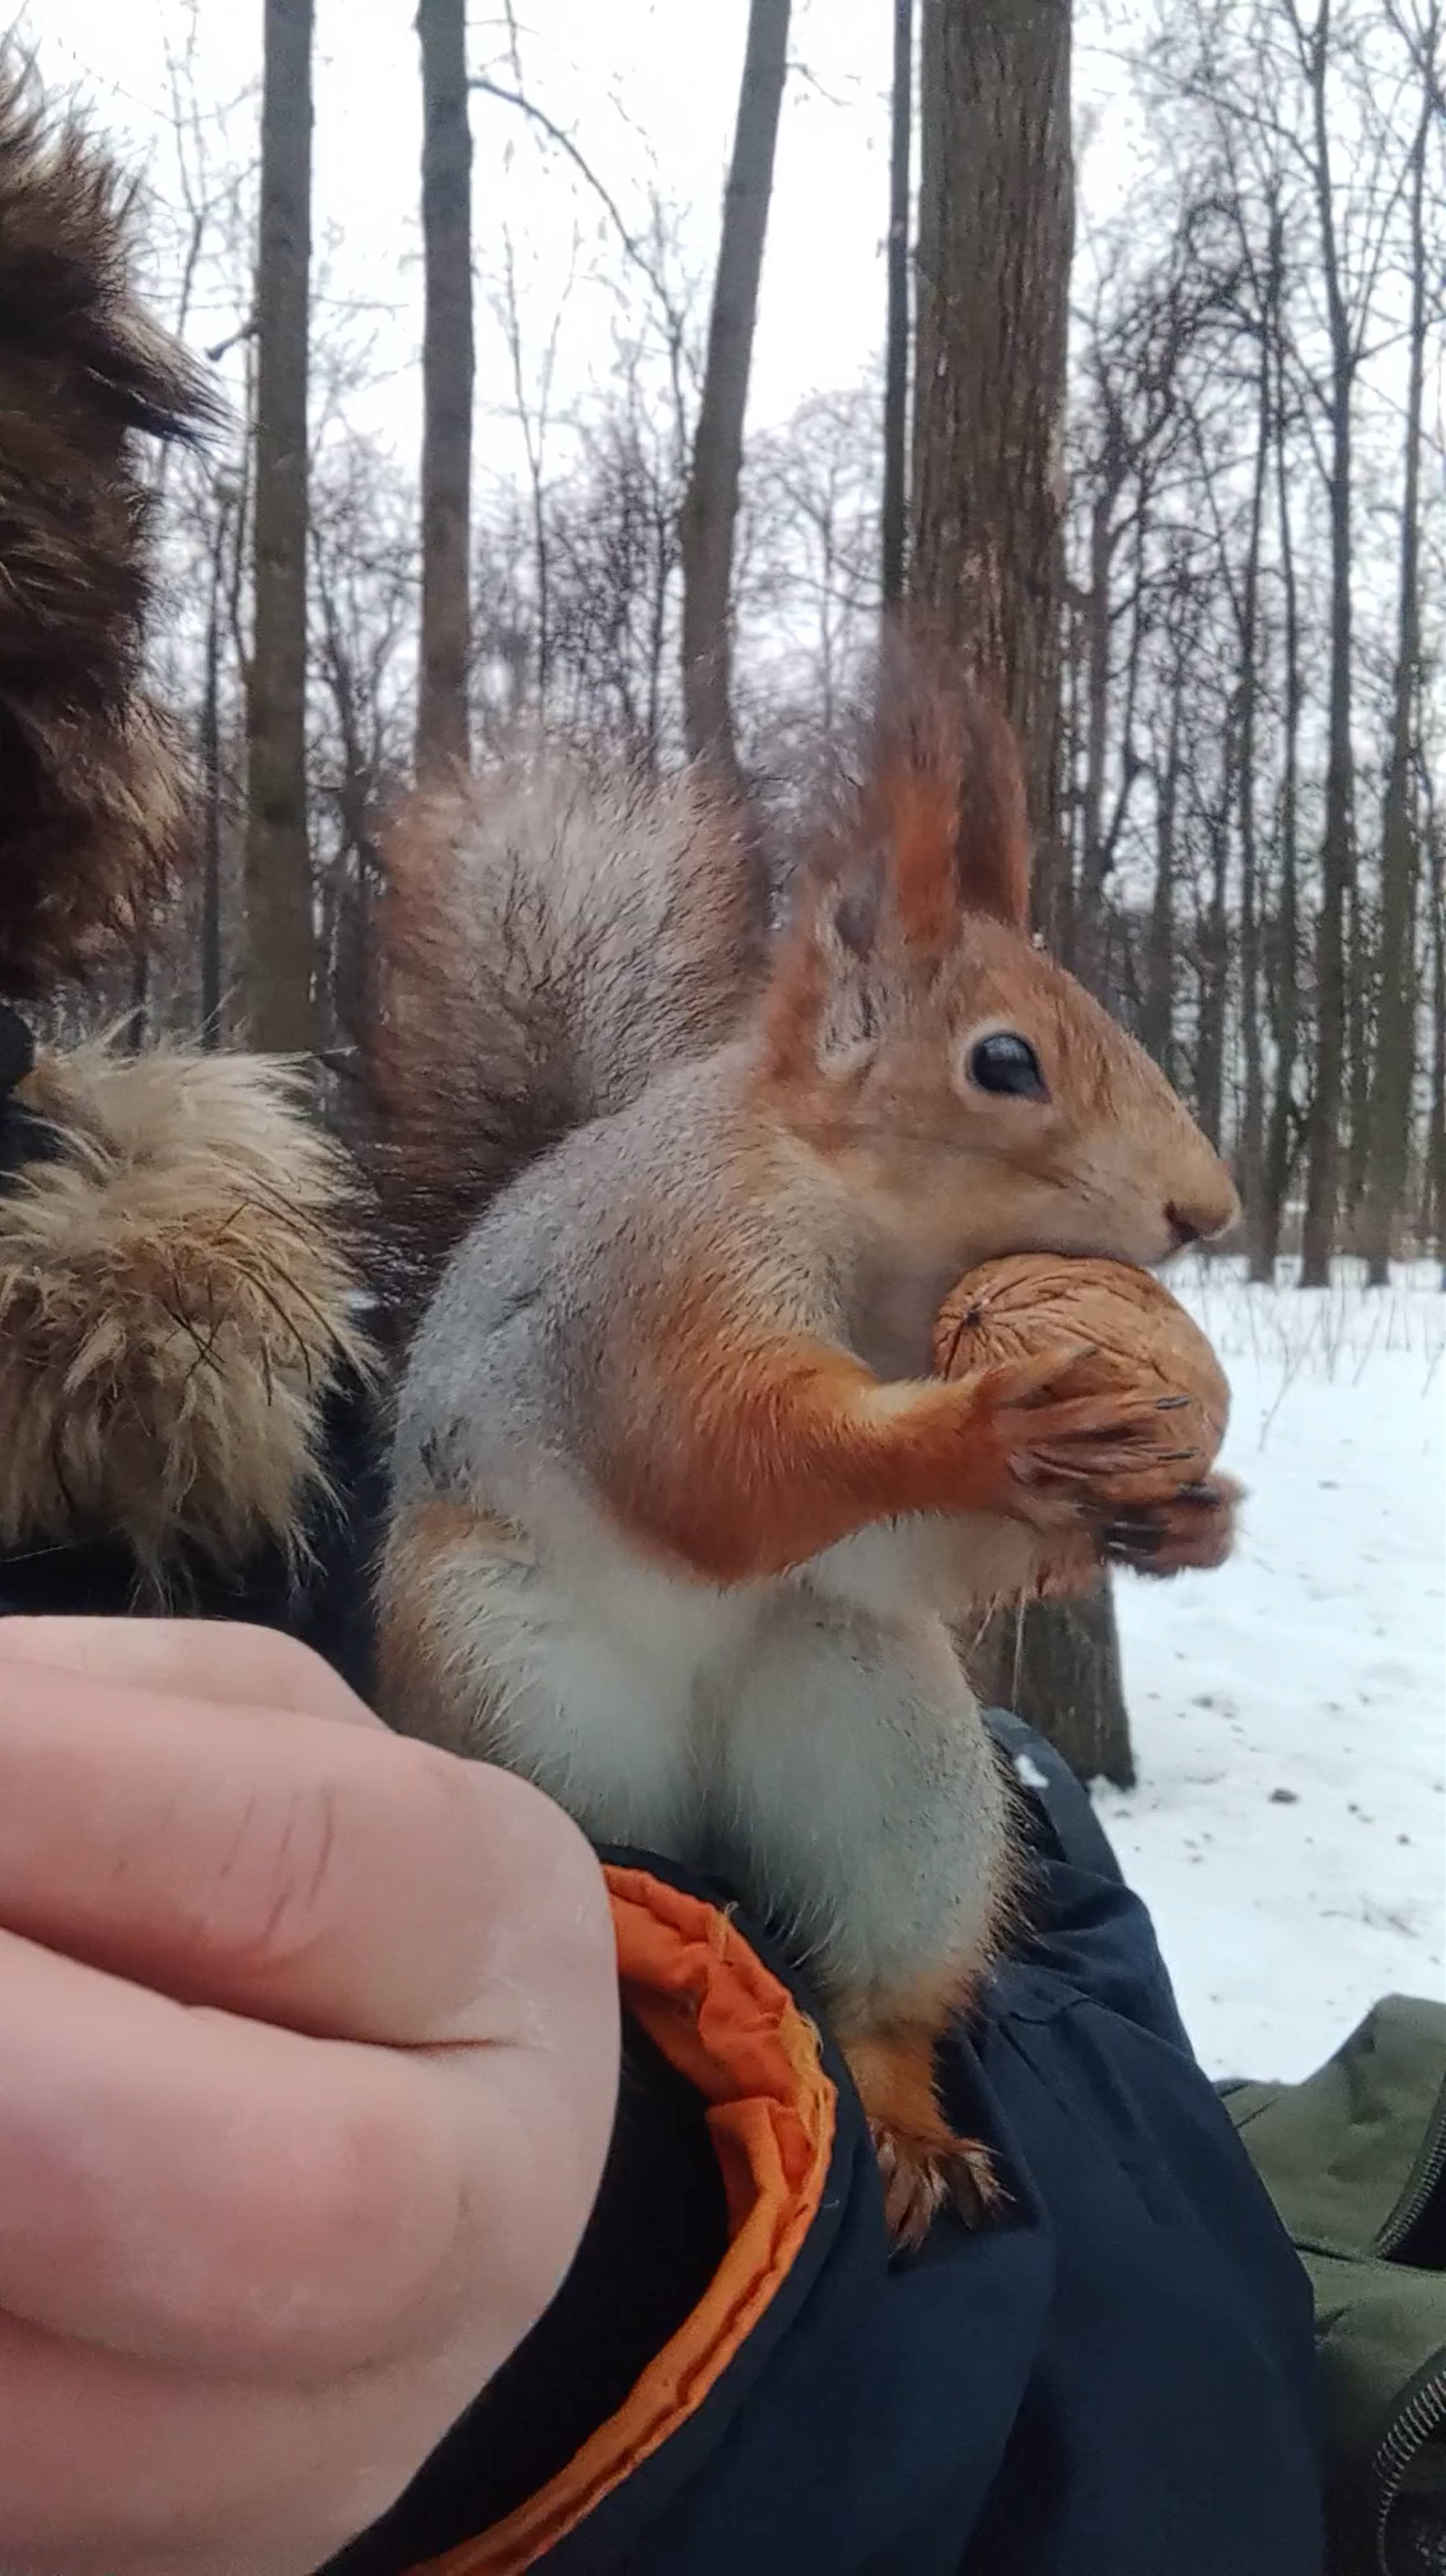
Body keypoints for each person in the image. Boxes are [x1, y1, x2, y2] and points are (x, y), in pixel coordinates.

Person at [0, 60, 1323, 2576]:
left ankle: (870, 2051)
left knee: (887, 1721)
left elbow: (1189, 2358)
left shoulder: (233, 1472)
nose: (1167, 1194)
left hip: (794, 1946)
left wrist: (674, 2280)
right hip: (567, 1617)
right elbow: (732, 1461)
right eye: (1021, 1089)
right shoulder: (723, 1208)